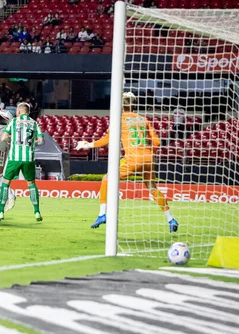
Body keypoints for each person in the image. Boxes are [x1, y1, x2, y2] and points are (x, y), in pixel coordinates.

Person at [75, 92, 178, 232]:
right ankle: (170, 218)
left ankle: (102, 214)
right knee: (152, 188)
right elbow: (157, 142)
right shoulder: (143, 119)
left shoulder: (120, 119)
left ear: (121, 105)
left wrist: (88, 145)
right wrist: (146, 152)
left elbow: (107, 139)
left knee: (106, 179)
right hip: (148, 158)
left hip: (133, 159)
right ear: (134, 104)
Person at [0, 103, 44, 222]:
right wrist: (33, 143)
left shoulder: (13, 122)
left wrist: (10, 141)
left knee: (5, 183)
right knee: (31, 184)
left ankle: (1, 212)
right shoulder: (34, 123)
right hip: (28, 158)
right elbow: (42, 141)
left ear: (18, 111)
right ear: (28, 112)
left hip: (14, 158)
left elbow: (3, 138)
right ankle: (37, 212)